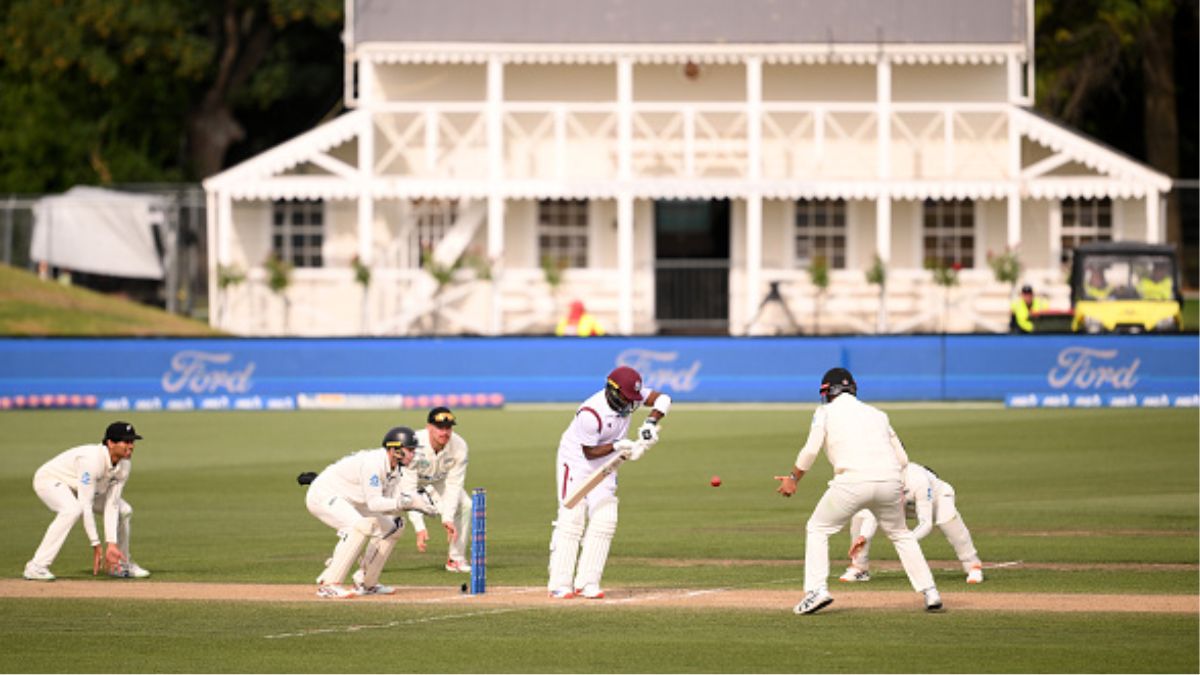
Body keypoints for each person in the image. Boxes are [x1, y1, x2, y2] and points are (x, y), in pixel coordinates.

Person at [774, 368, 942, 614]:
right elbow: (903, 458)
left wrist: (793, 478)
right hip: (890, 482)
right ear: (852, 388)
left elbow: (811, 450)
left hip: (851, 482)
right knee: (900, 534)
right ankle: (930, 592)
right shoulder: (878, 414)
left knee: (818, 528)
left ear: (828, 391)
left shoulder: (825, 412)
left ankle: (816, 590)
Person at [548, 365, 671, 599]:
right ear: (613, 392)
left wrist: (650, 424)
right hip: (576, 462)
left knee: (606, 518)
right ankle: (559, 583)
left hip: (607, 461)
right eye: (626, 398)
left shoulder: (630, 395)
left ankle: (587, 583)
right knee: (572, 518)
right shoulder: (590, 413)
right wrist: (617, 446)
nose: (631, 404)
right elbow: (589, 453)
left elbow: (664, 399)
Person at [304, 426, 439, 598]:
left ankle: (367, 582)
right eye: (409, 450)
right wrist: (406, 502)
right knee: (361, 526)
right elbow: (375, 503)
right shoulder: (373, 464)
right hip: (323, 495)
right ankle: (329, 584)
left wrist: (415, 504)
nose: (412, 455)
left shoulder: (395, 469)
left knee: (394, 525)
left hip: (353, 499)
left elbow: (389, 506)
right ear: (394, 449)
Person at [24, 421, 150, 581]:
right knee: (72, 510)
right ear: (110, 443)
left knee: (124, 511)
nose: (131, 446)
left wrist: (111, 544)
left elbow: (112, 504)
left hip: (80, 489)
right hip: (50, 480)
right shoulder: (91, 460)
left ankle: (119, 564)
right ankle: (36, 566)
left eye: (132, 442)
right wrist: (96, 543)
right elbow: (86, 505)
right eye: (126, 441)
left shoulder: (124, 464)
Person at [838, 462, 984, 584]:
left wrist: (907, 540)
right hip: (901, 506)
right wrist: (863, 536)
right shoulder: (879, 479)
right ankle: (859, 568)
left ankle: (973, 567)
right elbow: (873, 513)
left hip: (935, 501)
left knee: (948, 519)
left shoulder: (917, 479)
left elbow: (926, 523)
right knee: (860, 514)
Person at [398, 406, 472, 573]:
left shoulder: (459, 446)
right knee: (385, 518)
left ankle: (455, 559)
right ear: (428, 427)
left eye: (448, 428)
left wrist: (448, 518)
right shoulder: (413, 445)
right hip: (401, 482)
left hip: (437, 479)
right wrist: (419, 527)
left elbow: (454, 484)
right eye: (439, 428)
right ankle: (361, 562)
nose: (444, 432)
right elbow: (408, 490)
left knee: (466, 505)